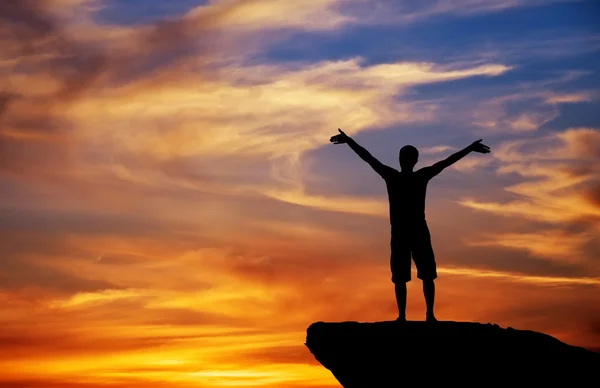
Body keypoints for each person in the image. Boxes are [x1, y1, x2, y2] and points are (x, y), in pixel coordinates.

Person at [329, 129, 491, 322]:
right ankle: (407, 316)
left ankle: (425, 315)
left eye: (405, 156)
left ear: (412, 160)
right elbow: (369, 158)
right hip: (404, 231)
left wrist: (470, 148)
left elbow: (446, 162)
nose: (403, 159)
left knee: (423, 274)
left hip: (412, 230)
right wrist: (349, 141)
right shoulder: (403, 176)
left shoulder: (404, 176)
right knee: (402, 275)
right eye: (402, 156)